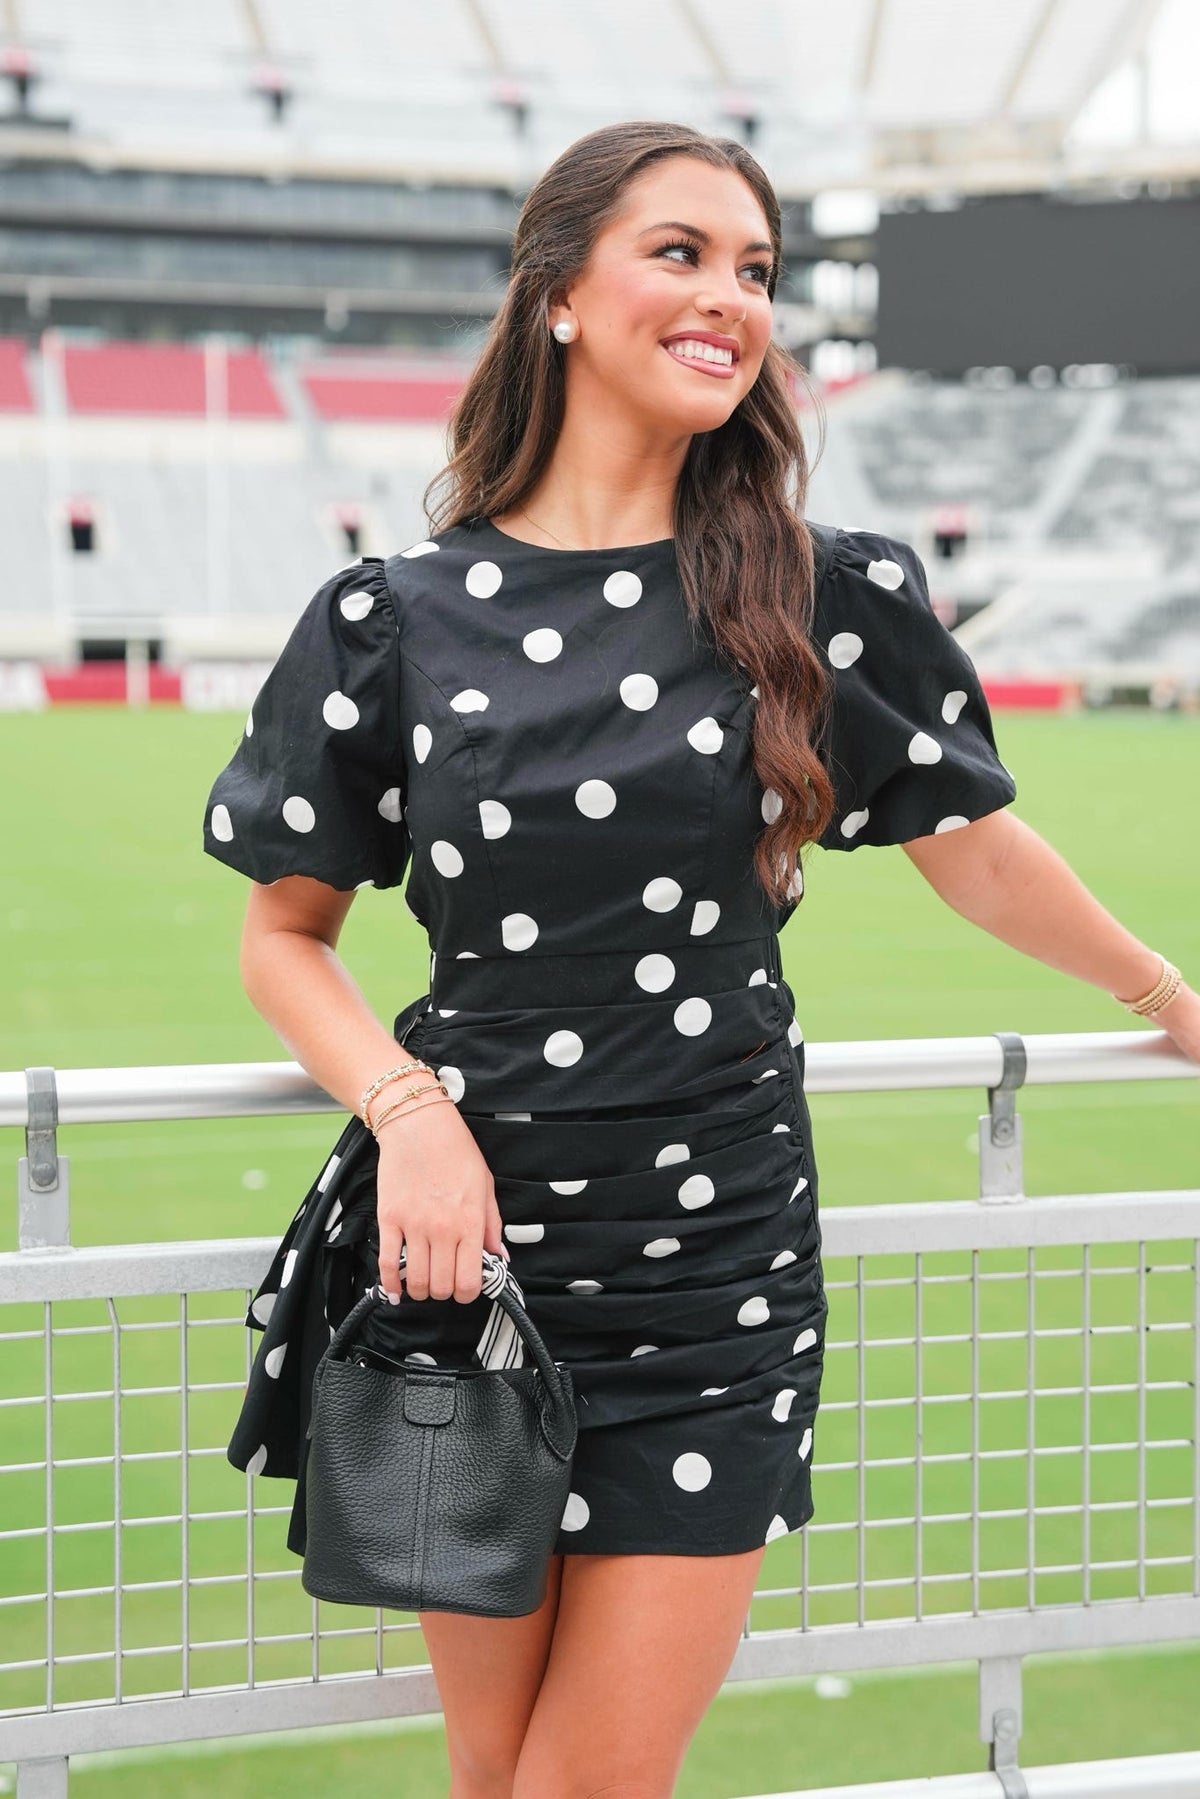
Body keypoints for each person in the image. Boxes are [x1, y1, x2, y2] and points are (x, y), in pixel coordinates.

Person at [202, 120, 1198, 1799]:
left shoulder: (819, 594)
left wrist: (1165, 996)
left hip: (714, 1282)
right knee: (491, 1773)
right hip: (462, 1266)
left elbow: (974, 846)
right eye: (680, 253)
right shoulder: (389, 620)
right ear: (559, 295)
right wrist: (408, 1114)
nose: (730, 296)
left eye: (756, 269)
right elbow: (283, 936)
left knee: (583, 1786)